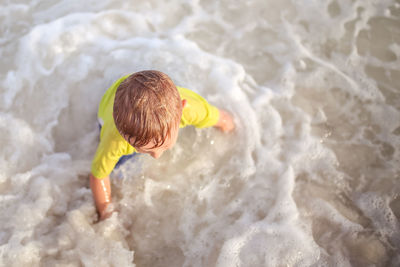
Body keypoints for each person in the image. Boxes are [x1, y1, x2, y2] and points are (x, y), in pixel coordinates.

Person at [90, 70, 235, 220]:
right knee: (117, 170)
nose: (157, 156)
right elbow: (98, 176)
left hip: (136, 95)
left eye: (164, 146)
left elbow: (223, 119)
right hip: (108, 107)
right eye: (144, 149)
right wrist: (106, 213)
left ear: (181, 109)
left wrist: (234, 137)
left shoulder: (192, 110)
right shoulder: (115, 139)